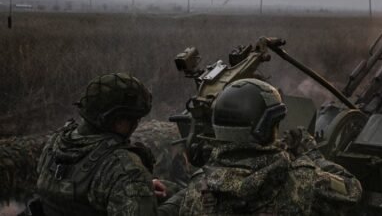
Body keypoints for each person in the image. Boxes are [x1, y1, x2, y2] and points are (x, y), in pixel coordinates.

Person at [179, 78, 362, 216]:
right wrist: (312, 155)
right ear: (264, 128)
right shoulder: (301, 179)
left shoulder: (198, 187)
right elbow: (352, 190)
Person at [33, 73, 182, 216]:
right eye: (134, 119)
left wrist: (136, 189)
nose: (136, 124)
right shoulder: (124, 167)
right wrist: (184, 198)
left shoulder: (56, 143)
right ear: (118, 121)